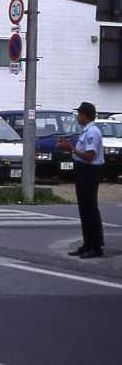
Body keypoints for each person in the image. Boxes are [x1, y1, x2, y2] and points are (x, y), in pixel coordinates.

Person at [58, 102, 105, 259]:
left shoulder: (92, 132)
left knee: (90, 208)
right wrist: (69, 148)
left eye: (79, 114)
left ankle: (96, 246)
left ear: (85, 115)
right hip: (82, 170)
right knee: (84, 209)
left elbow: (90, 156)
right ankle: (87, 244)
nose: (78, 117)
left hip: (89, 171)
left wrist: (71, 148)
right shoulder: (86, 131)